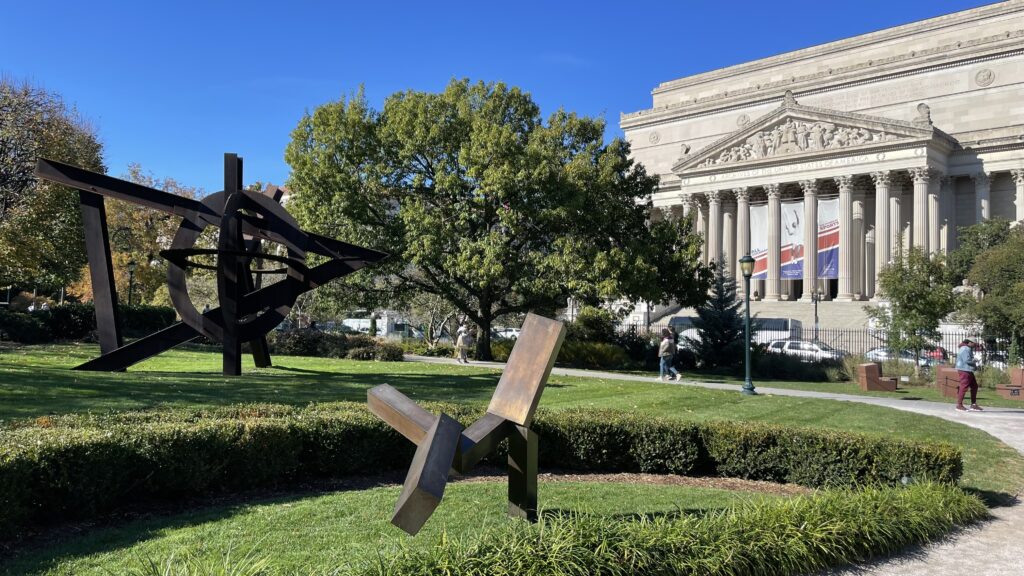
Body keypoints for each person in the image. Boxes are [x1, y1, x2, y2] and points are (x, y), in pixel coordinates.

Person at [955, 338, 982, 412]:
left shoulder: (967, 348)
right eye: (974, 343)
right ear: (970, 342)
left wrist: (974, 366)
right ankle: (959, 405)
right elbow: (967, 360)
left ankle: (973, 405)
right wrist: (975, 360)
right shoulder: (965, 349)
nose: (975, 345)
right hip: (964, 370)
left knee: (974, 386)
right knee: (964, 387)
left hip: (967, 370)